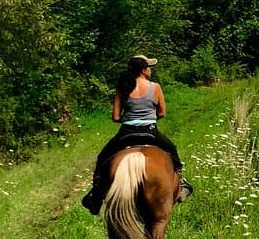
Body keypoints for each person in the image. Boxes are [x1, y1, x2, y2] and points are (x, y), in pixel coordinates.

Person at [81, 54, 193, 215]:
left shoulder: (124, 87)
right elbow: (162, 113)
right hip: (150, 131)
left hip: (126, 132)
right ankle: (181, 184)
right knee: (172, 151)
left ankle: (96, 194)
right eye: (149, 67)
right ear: (142, 70)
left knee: (102, 157)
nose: (150, 70)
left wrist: (129, 119)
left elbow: (115, 116)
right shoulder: (155, 87)